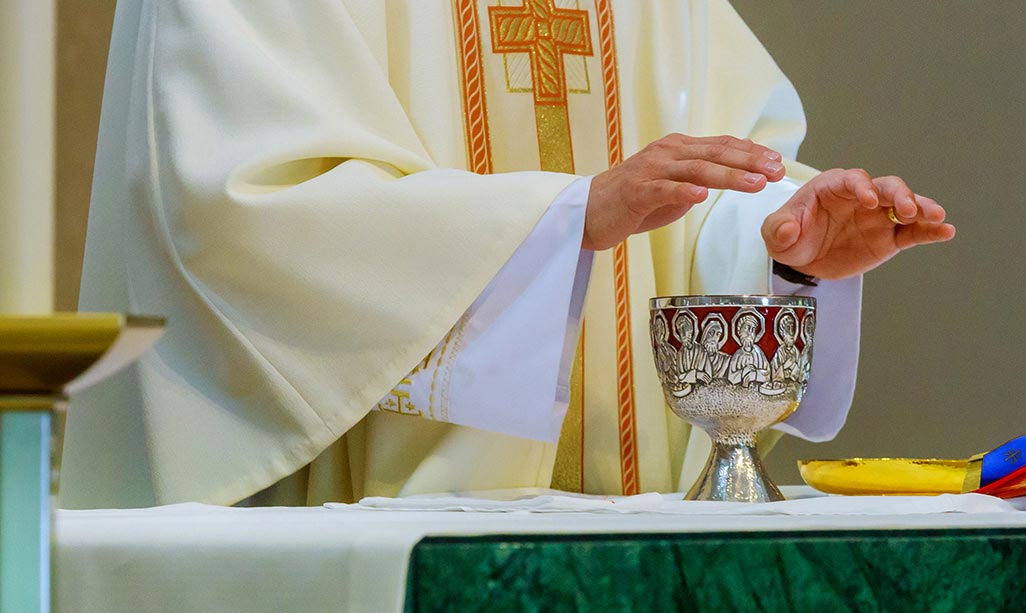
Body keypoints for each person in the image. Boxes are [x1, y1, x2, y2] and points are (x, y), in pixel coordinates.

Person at [61, 0, 954, 507]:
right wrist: (570, 217)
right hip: (370, 561)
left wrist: (780, 250)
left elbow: (719, 169)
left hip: (634, 550)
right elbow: (239, 213)